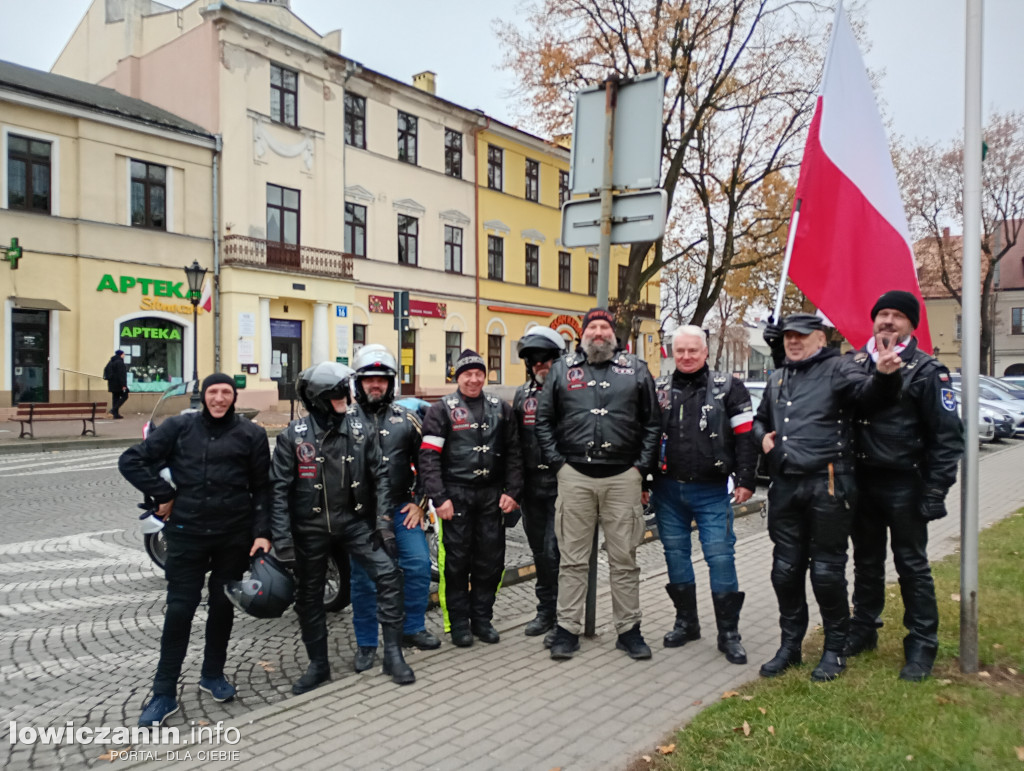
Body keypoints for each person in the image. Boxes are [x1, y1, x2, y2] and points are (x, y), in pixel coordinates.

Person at [752, 313, 902, 682]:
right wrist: (762, 438)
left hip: (829, 484)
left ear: (820, 338)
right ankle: (790, 647)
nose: (793, 341)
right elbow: (759, 419)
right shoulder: (778, 376)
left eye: (801, 336)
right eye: (788, 336)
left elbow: (871, 397)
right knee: (785, 571)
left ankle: (835, 647)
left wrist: (885, 374)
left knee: (826, 572)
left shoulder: (839, 368)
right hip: (785, 484)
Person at [118, 373, 271, 727]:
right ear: (203, 395)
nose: (219, 398)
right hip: (187, 534)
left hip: (233, 535)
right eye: (213, 392)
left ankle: (212, 675)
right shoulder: (178, 428)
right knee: (179, 611)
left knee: (222, 608)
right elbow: (131, 461)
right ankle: (164, 692)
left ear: (234, 397)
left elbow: (263, 488)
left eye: (226, 393)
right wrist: (163, 494)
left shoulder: (252, 434)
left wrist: (262, 533)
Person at [270, 361, 414, 691]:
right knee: (308, 597)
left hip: (355, 523)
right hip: (310, 527)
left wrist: (382, 524)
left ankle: (392, 653)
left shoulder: (361, 433)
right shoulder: (293, 437)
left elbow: (381, 478)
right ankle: (318, 665)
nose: (346, 401)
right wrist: (283, 541)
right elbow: (277, 490)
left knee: (390, 574)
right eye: (337, 396)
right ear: (319, 398)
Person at [846, 291, 964, 681]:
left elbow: (947, 438)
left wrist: (935, 490)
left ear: (912, 325)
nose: (888, 321)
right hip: (863, 483)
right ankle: (863, 630)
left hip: (905, 484)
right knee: (865, 562)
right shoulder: (857, 363)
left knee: (912, 566)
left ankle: (921, 645)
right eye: (882, 314)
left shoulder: (929, 371)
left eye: (897, 316)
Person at [535, 308, 660, 661]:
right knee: (572, 559)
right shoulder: (562, 370)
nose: (599, 332)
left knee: (624, 559)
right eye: (593, 327)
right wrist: (559, 464)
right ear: (583, 334)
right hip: (575, 476)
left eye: (605, 327)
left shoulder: (636, 370)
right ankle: (567, 629)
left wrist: (640, 469)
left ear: (614, 335)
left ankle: (629, 630)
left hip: (623, 477)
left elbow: (653, 424)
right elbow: (543, 422)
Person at [651, 325, 757, 664]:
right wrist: (642, 483)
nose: (686, 356)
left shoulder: (730, 387)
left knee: (720, 557)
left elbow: (745, 436)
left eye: (692, 351)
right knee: (675, 555)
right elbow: (646, 436)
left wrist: (746, 479)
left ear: (705, 351)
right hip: (667, 490)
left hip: (712, 490)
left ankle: (729, 633)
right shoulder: (658, 389)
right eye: (680, 350)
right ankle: (687, 622)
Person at [419, 349, 523, 647]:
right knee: (455, 563)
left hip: (492, 497)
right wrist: (439, 498)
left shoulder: (501, 408)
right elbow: (428, 458)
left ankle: (482, 619)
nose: (474, 379)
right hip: (456, 497)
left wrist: (513, 492)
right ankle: (459, 624)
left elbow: (515, 453)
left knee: (490, 562)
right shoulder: (441, 410)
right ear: (457, 377)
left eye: (479, 373)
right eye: (467, 374)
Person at [347, 345, 440, 674]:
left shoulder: (408, 419)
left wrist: (420, 503)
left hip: (402, 509)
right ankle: (367, 642)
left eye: (381, 380)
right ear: (358, 382)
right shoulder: (345, 421)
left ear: (391, 383)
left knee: (416, 567)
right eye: (369, 379)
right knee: (363, 580)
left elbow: (428, 463)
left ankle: (411, 628)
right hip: (361, 516)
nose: (376, 385)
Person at [512, 327, 567, 640]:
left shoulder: (573, 392)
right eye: (534, 360)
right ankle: (545, 611)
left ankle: (564, 614)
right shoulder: (522, 395)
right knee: (539, 553)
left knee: (555, 551)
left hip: (563, 487)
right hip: (533, 488)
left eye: (546, 359)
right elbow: (515, 442)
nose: (540, 365)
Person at [104, 349, 129, 419]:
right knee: (125, 396)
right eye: (123, 354)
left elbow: (106, 371)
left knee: (115, 398)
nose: (124, 356)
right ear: (121, 354)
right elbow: (121, 374)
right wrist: (124, 385)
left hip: (112, 383)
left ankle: (116, 414)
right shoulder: (120, 362)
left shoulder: (111, 362)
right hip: (119, 384)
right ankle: (113, 410)